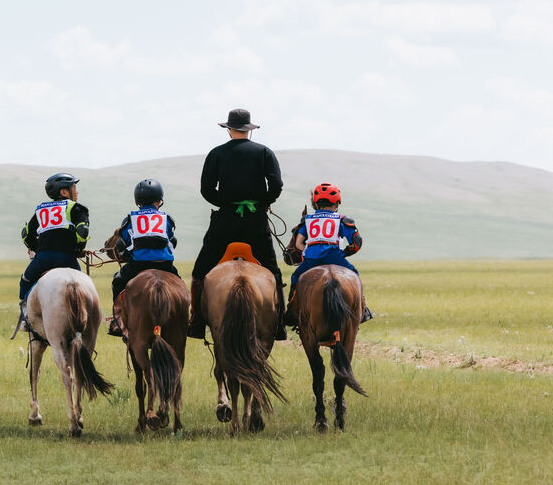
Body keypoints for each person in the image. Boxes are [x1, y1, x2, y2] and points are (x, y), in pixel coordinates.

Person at [189, 109, 287, 340]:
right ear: (249, 130)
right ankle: (279, 323)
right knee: (273, 272)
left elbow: (206, 189)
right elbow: (276, 185)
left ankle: (197, 321)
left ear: (229, 129)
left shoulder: (216, 153)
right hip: (256, 222)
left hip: (225, 221)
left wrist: (226, 204)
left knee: (200, 271)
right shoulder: (264, 152)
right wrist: (262, 203)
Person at [282, 182, 373, 327]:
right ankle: (363, 308)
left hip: (311, 259)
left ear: (316, 204)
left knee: (296, 277)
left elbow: (298, 244)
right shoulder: (342, 220)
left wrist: (308, 251)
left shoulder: (307, 220)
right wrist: (345, 253)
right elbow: (356, 243)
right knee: (354, 273)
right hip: (335, 258)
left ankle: (291, 311)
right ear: (337, 204)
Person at [17, 173, 90, 333]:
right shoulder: (76, 208)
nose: (77, 191)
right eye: (74, 187)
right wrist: (79, 248)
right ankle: (88, 318)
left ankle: (25, 318)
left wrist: (38, 248)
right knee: (83, 287)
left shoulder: (41, 210)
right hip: (67, 258)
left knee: (25, 281)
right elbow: (82, 232)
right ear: (64, 192)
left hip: (43, 258)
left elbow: (26, 235)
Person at [106, 179, 179, 338]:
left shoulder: (130, 219)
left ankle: (117, 321)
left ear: (138, 200)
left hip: (139, 265)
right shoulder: (166, 219)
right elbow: (170, 239)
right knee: (179, 285)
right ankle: (184, 318)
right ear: (159, 200)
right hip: (165, 265)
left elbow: (125, 242)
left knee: (117, 281)